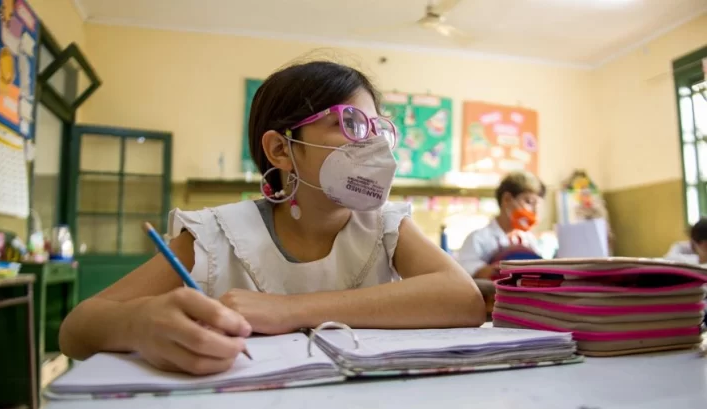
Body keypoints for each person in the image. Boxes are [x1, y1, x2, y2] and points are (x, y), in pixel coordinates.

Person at [58, 60, 485, 376]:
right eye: (351, 123)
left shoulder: (385, 225)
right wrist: (138, 325)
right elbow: (76, 330)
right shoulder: (215, 234)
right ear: (281, 150)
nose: (372, 145)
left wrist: (288, 310)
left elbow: (463, 300)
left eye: (377, 129)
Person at [456, 171, 545, 279]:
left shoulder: (529, 240)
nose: (534, 211)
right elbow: (464, 272)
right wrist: (491, 270)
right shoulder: (478, 239)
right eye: (529, 202)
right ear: (507, 199)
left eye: (537, 205)